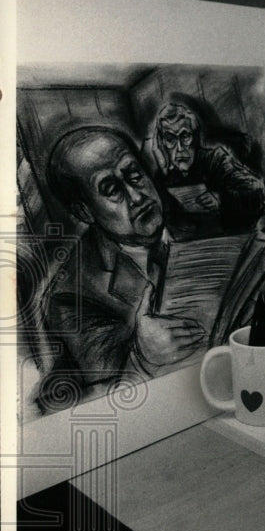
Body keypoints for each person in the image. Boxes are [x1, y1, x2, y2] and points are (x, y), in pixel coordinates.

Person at [40, 126, 205, 402]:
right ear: (85, 211)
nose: (137, 196)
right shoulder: (69, 297)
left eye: (134, 175)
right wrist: (143, 357)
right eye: (112, 189)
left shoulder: (198, 218)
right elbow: (106, 395)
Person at [151, 102, 265, 232]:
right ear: (162, 143)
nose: (179, 148)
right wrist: (163, 172)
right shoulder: (162, 174)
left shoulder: (216, 159)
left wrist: (221, 199)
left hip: (229, 239)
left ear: (195, 138)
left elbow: (258, 192)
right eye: (170, 139)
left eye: (185, 136)